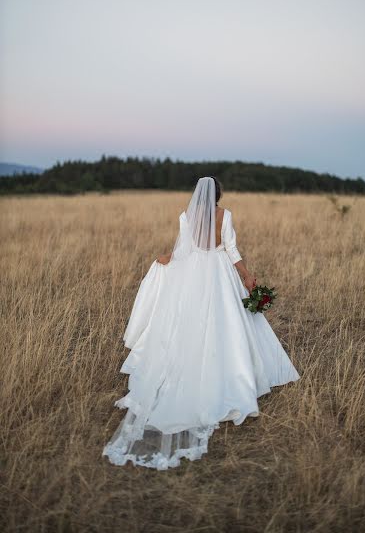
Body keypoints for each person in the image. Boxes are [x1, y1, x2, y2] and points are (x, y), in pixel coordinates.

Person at [102, 176, 300, 470]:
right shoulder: (225, 215)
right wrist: (246, 275)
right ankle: (231, 375)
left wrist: (164, 260)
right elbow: (231, 249)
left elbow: (183, 252)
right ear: (218, 195)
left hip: (194, 275)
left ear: (197, 196)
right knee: (229, 326)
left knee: (189, 324)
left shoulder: (186, 216)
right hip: (220, 274)